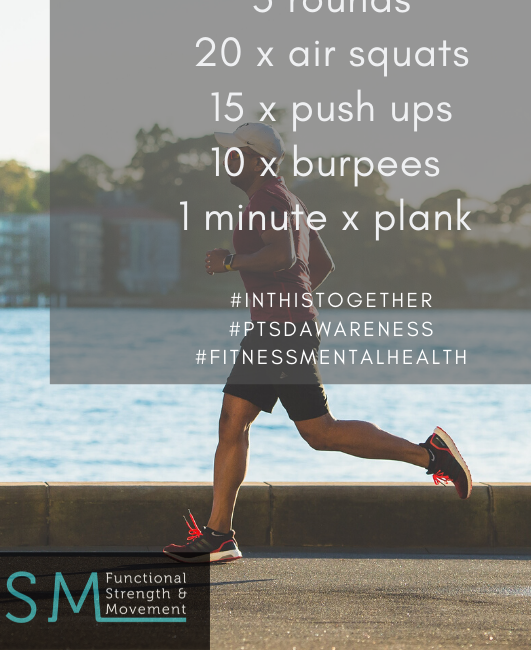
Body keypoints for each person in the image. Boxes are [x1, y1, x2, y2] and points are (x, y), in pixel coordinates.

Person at [163, 123, 472, 564]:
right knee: (239, 423)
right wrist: (293, 299)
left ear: (257, 160)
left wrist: (231, 262)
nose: (227, 158)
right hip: (278, 328)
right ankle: (219, 535)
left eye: (235, 152)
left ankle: (431, 456)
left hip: (281, 332)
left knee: (316, 431)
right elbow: (321, 263)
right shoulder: (288, 200)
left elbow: (284, 256)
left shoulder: (269, 201)